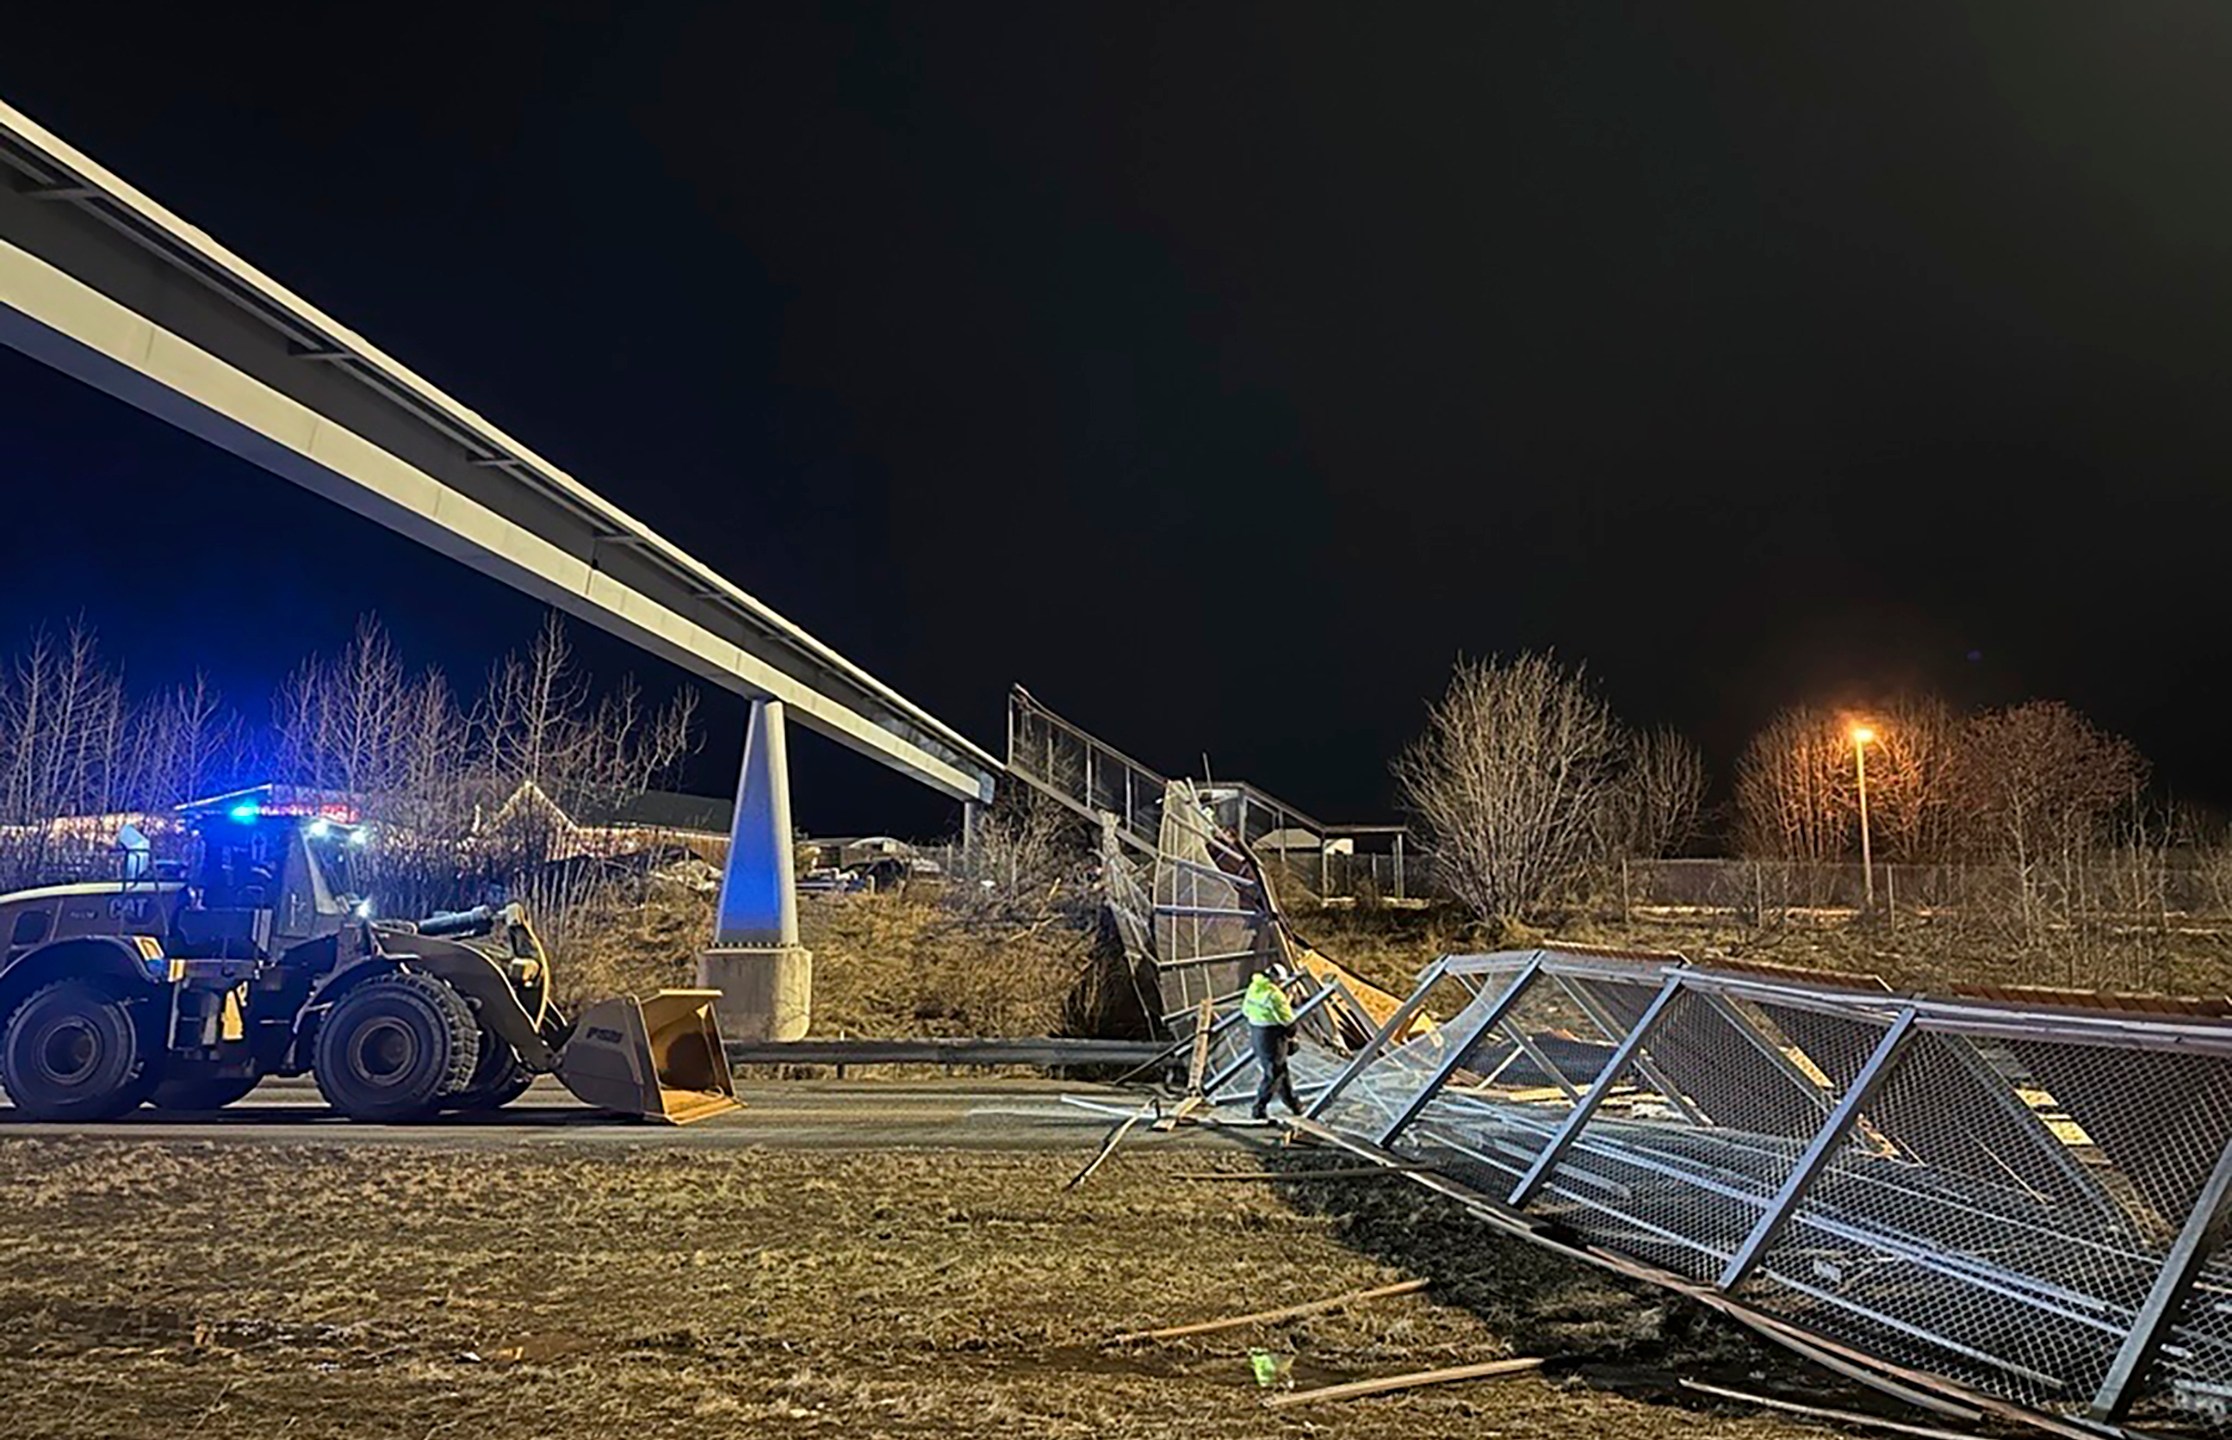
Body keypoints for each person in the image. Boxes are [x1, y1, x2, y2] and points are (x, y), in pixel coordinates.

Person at [1241, 962, 1301, 1120]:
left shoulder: (1254, 987)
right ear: (1275, 979)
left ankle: (1293, 1103)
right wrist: (1292, 1035)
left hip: (1256, 1032)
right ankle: (1259, 1108)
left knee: (1280, 1070)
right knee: (1274, 1073)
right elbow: (1288, 1020)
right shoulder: (1274, 995)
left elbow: (1245, 1010)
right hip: (1272, 1036)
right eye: (1280, 981)